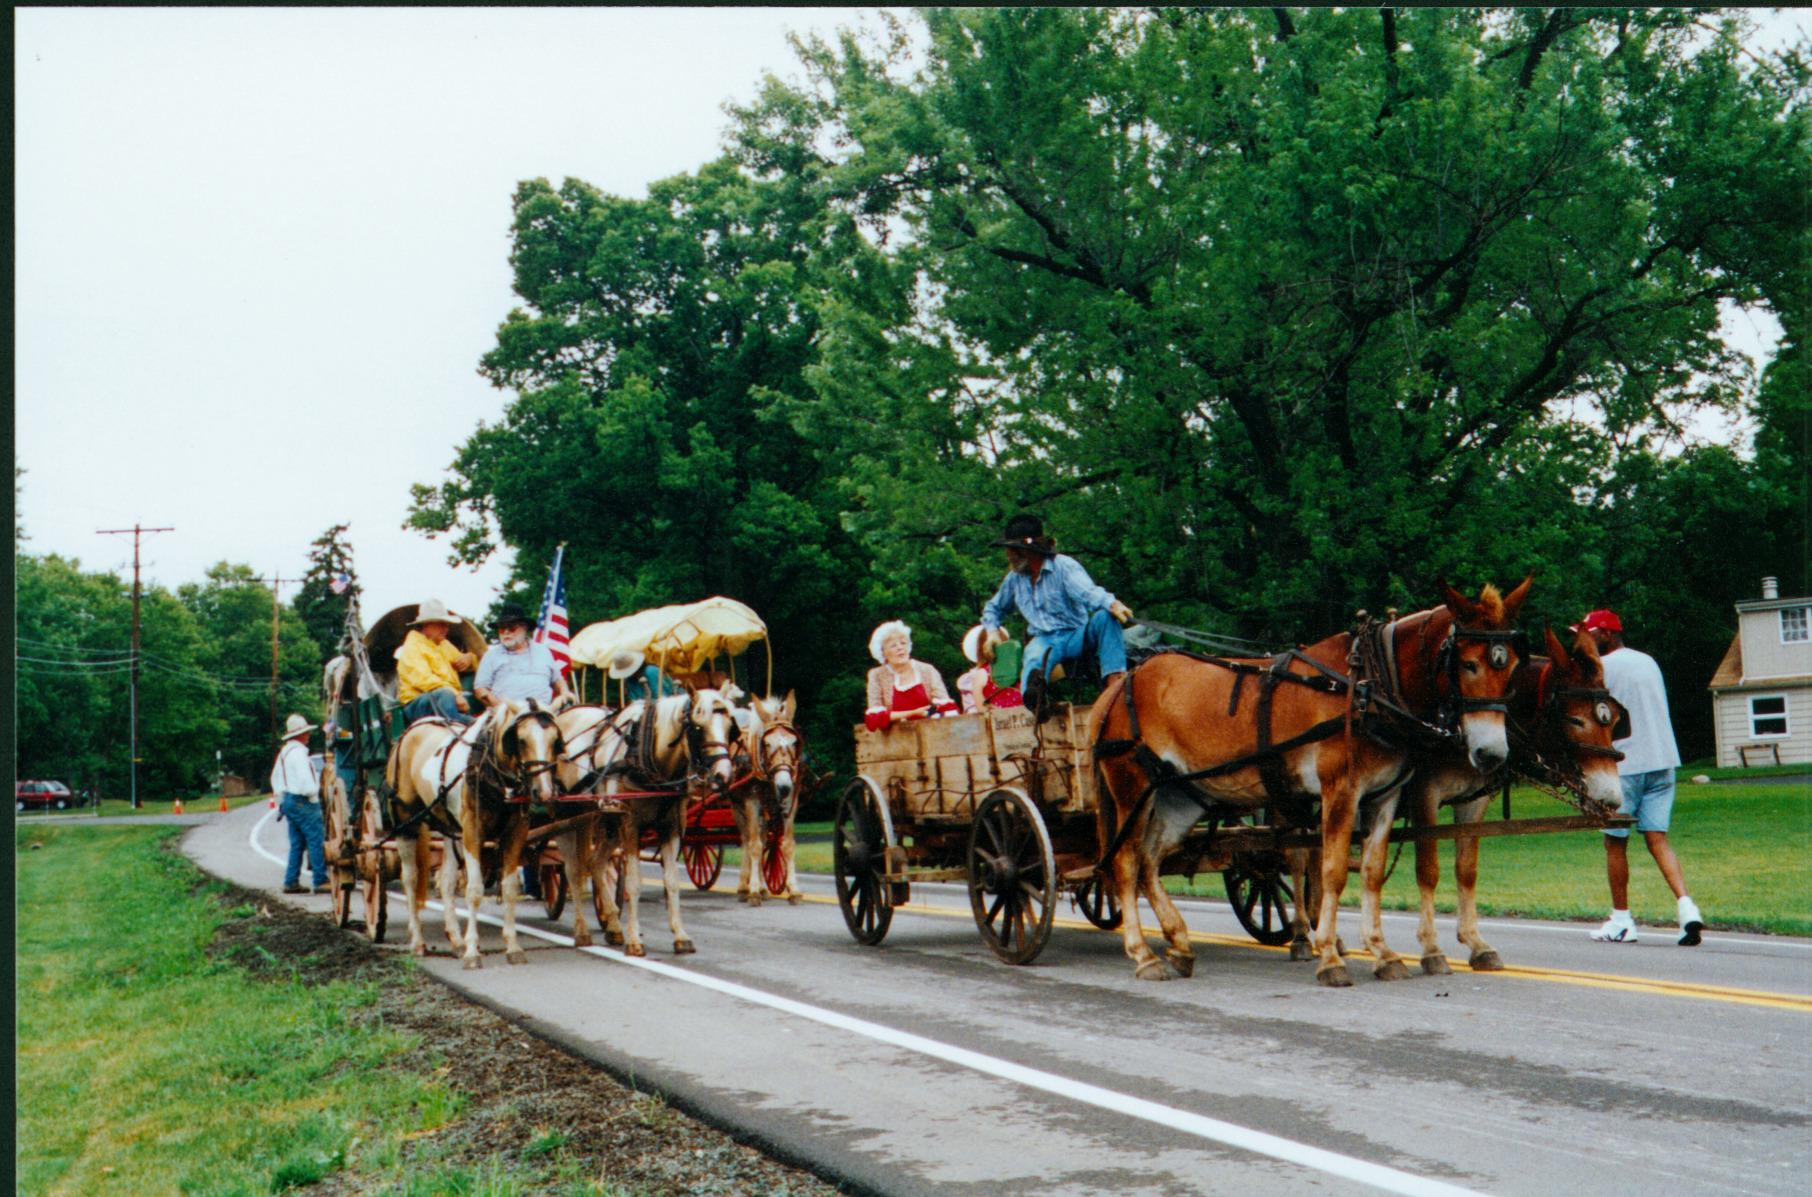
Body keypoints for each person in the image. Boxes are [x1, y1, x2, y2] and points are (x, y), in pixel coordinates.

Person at [1578, 609, 1705, 946]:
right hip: (1663, 760)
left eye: (1589, 634)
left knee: (1615, 841)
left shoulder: (1602, 667)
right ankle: (1686, 907)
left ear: (1605, 634)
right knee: (1657, 839)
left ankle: (1621, 920)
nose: (1585, 641)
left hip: (1625, 763)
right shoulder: (1648, 661)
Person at [979, 513, 1134, 710]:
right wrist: (992, 631)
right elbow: (993, 608)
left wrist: (1112, 604)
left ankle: (1116, 684)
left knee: (1106, 618)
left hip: (1076, 634)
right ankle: (1036, 706)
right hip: (1044, 640)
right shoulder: (1014, 579)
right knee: (1033, 661)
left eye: (1011, 549)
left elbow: (1088, 593)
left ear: (1026, 550)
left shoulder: (1063, 566)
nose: (1007, 554)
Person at [270, 713, 328, 895]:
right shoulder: (299, 755)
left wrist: (282, 795)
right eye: (306, 733)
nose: (308, 736)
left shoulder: (284, 754)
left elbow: (275, 778)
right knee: (316, 839)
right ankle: (320, 880)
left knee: (297, 843)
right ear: (300, 735)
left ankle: (291, 881)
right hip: (303, 800)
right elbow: (306, 783)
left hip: (288, 799)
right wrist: (313, 794)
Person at [475, 602, 573, 709]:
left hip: (545, 713)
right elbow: (481, 690)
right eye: (502, 628)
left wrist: (565, 693)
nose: (506, 632)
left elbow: (557, 680)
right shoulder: (491, 655)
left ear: (525, 628)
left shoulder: (543, 651)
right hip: (506, 716)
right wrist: (501, 709)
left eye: (512, 627)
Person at [864, 621, 958, 731]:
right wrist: (913, 713)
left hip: (931, 732)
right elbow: (874, 719)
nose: (900, 648)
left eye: (903, 643)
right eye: (893, 645)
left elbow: (947, 708)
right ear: (883, 652)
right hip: (894, 739)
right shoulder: (877, 675)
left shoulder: (927, 670)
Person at [396, 598, 477, 725]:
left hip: (446, 699)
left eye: (447, 624)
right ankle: (457, 724)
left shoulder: (443, 644)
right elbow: (424, 680)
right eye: (441, 624)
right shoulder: (413, 645)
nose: (446, 628)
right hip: (417, 703)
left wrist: (469, 657)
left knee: (460, 694)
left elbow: (464, 662)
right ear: (426, 624)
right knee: (444, 694)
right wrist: (455, 694)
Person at [955, 624, 1023, 713]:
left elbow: (981, 708)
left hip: (999, 722)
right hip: (1024, 718)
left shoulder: (981, 674)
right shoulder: (1019, 669)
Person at [608, 650, 678, 707]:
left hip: (668, 706)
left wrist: (643, 703)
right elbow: (633, 699)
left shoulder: (651, 671)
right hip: (644, 710)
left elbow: (663, 697)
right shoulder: (629, 680)